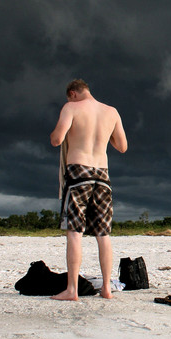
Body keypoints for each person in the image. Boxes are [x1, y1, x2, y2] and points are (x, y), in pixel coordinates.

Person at [49, 79, 128, 300]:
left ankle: (72, 290)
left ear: (72, 93)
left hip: (78, 173)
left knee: (74, 232)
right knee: (103, 234)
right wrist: (102, 134)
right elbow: (122, 147)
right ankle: (106, 288)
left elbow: (57, 139)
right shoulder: (111, 111)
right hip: (102, 174)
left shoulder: (71, 107)